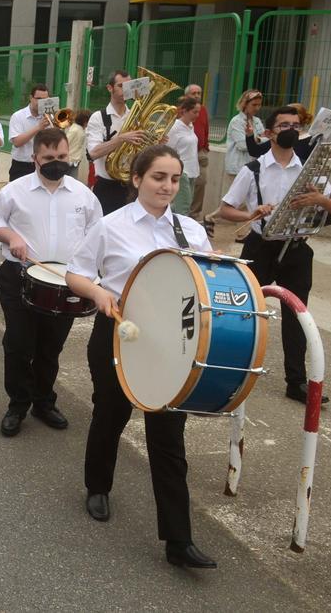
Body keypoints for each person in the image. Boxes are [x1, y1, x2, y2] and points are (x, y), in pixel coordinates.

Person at [65, 145, 218, 570]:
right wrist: (98, 292)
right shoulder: (109, 226)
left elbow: (206, 282)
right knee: (110, 415)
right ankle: (97, 486)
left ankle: (178, 540)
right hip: (118, 337)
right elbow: (75, 272)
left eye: (174, 179)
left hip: (174, 346)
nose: (167, 187)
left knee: (168, 438)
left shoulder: (191, 230)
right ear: (136, 179)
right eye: (158, 178)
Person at [218, 106, 331, 405]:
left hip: (296, 250)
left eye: (295, 125)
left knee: (297, 316)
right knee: (246, 314)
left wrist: (318, 199)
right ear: (268, 132)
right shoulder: (254, 169)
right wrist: (251, 213)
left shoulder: (309, 169)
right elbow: (225, 209)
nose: (290, 129)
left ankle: (296, 382)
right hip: (260, 247)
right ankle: (233, 374)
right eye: (283, 124)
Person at [0, 127, 101, 436]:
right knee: (19, 345)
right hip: (19, 279)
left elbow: (98, 236)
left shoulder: (84, 196)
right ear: (35, 158)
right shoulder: (15, 191)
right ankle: (17, 404)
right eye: (49, 157)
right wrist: (11, 236)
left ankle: (43, 402)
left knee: (51, 348)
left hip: (66, 283)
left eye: (62, 156)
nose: (57, 162)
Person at [86, 70, 148, 215]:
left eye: (130, 85)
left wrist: (154, 141)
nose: (126, 89)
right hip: (107, 186)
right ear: (110, 88)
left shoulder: (137, 116)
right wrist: (121, 138)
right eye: (121, 85)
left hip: (132, 185)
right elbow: (93, 153)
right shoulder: (98, 117)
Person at [8, 84, 52, 181]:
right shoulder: (18, 116)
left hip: (43, 165)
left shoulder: (49, 117)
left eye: (45, 100)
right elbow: (17, 142)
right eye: (38, 99)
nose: (41, 102)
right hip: (22, 166)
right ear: (31, 98)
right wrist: (38, 128)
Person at [167, 97, 201, 216]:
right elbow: (168, 150)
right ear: (184, 111)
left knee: (180, 205)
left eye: (198, 112)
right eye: (194, 112)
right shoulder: (175, 127)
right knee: (184, 207)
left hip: (193, 171)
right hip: (182, 172)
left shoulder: (191, 126)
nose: (197, 115)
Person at [225, 89, 265, 181]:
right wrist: (259, 139)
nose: (257, 108)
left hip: (254, 166)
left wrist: (254, 139)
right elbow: (243, 145)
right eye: (254, 105)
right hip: (238, 167)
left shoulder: (257, 121)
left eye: (259, 105)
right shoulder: (236, 121)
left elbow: (266, 141)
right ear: (245, 104)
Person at [185, 85, 211, 218]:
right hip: (185, 153)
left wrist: (205, 147)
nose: (196, 95)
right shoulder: (180, 111)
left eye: (199, 93)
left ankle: (194, 215)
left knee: (201, 183)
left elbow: (206, 128)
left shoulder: (203, 110)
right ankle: (183, 213)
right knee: (185, 185)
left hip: (200, 152)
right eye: (193, 93)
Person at [66, 109, 91, 181]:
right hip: (69, 161)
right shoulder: (75, 129)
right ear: (85, 120)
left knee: (72, 181)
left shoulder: (80, 129)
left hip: (75, 161)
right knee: (70, 181)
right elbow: (66, 142)